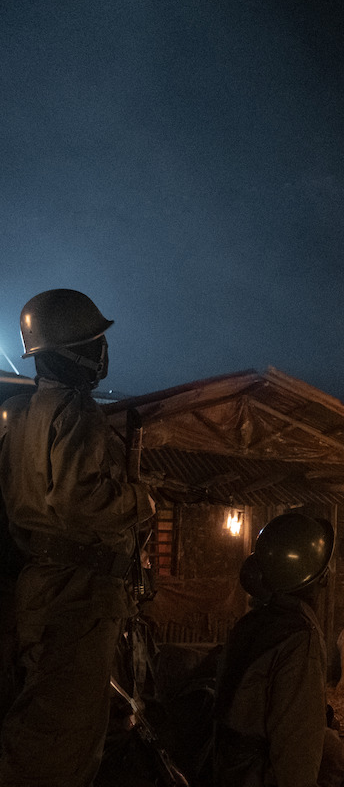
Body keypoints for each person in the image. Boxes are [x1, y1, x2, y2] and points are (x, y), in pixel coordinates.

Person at [0, 289, 157, 787]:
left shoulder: (20, 417)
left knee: (43, 720)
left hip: (42, 589)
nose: (101, 354)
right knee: (61, 742)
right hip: (79, 597)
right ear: (63, 353)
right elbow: (82, 502)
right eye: (93, 343)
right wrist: (142, 501)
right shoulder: (77, 412)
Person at [214, 512, 344, 787]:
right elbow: (296, 754)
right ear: (317, 578)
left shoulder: (250, 624)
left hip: (229, 770)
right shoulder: (300, 639)